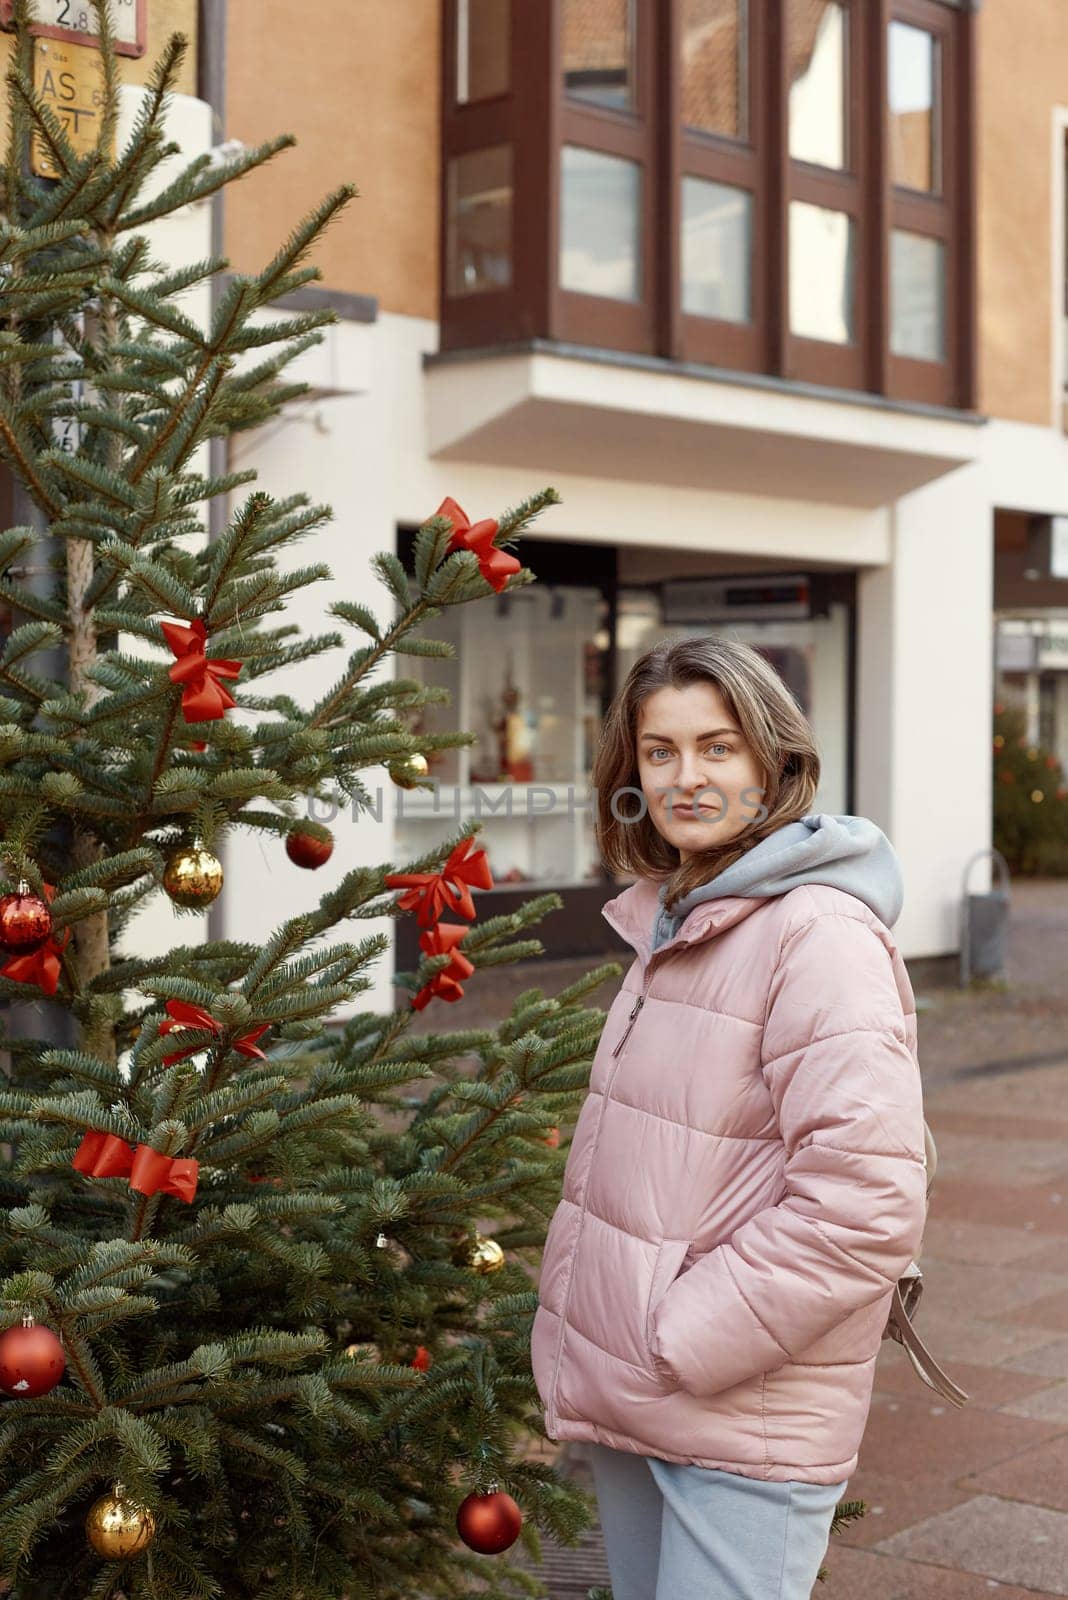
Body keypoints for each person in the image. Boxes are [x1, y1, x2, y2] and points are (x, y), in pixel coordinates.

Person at [530, 635, 928, 1600]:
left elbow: (865, 1206)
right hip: (643, 1390)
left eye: (718, 748)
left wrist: (685, 1337)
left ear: (775, 762)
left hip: (738, 1403)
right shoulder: (678, 919)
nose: (686, 777)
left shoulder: (817, 934)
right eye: (659, 753)